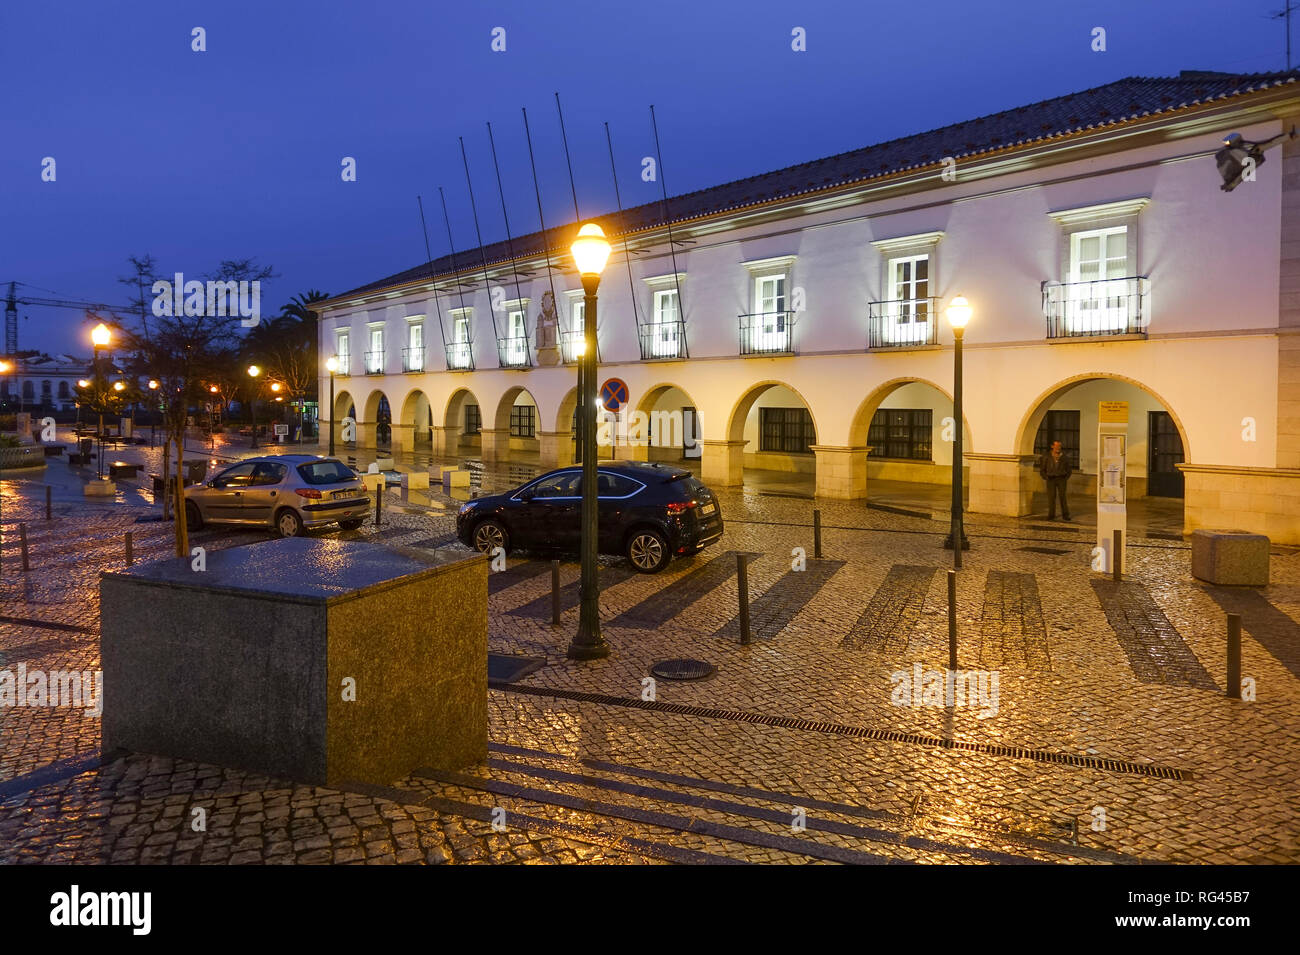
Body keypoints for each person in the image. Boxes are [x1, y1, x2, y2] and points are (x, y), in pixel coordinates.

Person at [1039, 439, 1072, 521]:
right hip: (1051, 479)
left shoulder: (1064, 457)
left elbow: (1069, 470)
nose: (1058, 448)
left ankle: (1065, 514)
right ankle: (1051, 514)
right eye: (1056, 446)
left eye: (1059, 446)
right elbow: (1042, 469)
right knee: (1051, 497)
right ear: (1052, 446)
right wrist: (1046, 477)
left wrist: (1065, 478)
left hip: (1061, 478)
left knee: (1062, 497)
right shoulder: (1046, 456)